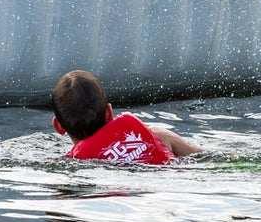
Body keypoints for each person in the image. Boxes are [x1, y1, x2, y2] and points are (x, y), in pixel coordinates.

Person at [51, 69, 201, 164]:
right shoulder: (159, 135)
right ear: (109, 113)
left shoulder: (73, 161)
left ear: (58, 126)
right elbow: (204, 156)